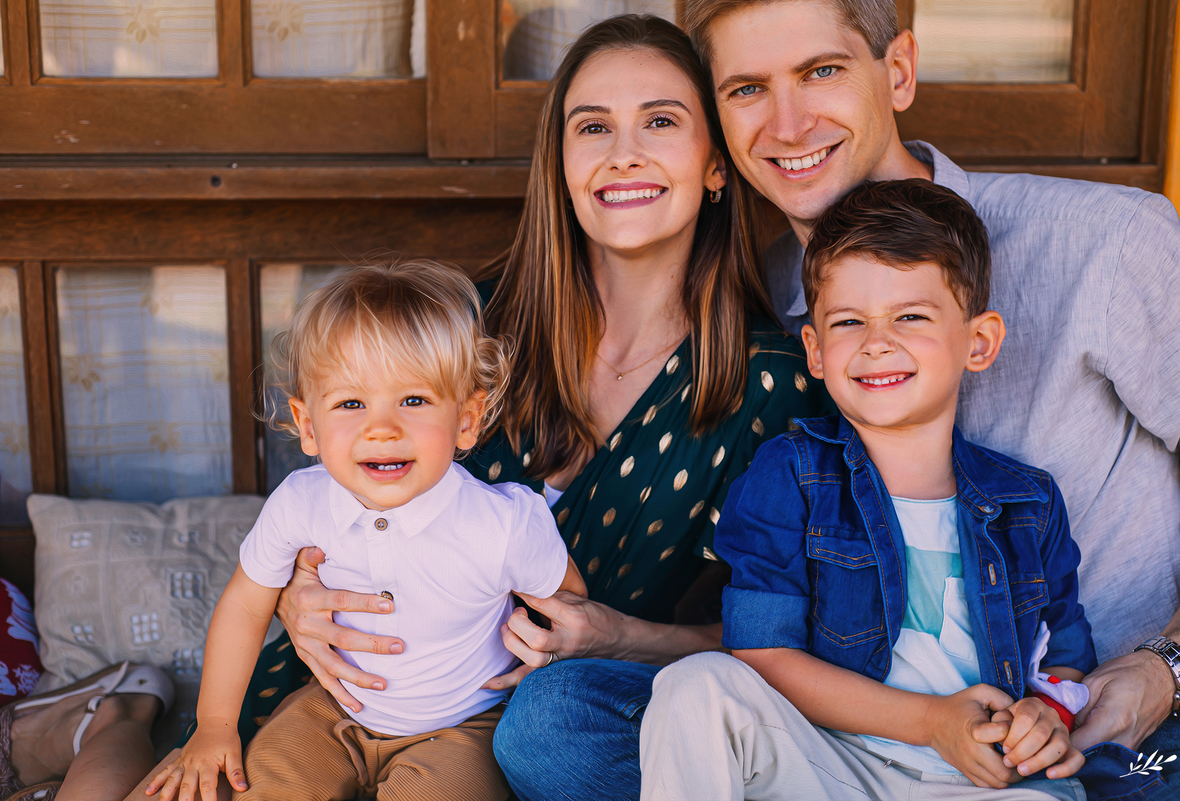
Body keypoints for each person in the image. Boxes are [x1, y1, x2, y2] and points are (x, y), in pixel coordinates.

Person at [114, 14, 828, 801]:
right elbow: (333, 485)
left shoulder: (769, 383)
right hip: (347, 683)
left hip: (541, 730)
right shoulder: (468, 326)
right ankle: (113, 718)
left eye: (660, 120)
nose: (624, 150)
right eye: (593, 126)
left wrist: (624, 636)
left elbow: (788, 639)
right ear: (559, 163)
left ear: (716, 165)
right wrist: (292, 592)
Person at [672, 0, 1180, 797]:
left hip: (1089, 728)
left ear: (899, 71)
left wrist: (1166, 670)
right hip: (841, 731)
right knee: (562, 720)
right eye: (747, 88)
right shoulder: (764, 297)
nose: (786, 123)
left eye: (821, 71)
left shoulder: (1108, 244)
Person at [641, 178, 1097, 800]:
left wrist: (1046, 719)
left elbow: (1063, 660)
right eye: (849, 321)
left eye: (910, 316)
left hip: (983, 783)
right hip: (830, 766)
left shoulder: (1028, 503)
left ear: (979, 341)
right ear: (816, 349)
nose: (877, 342)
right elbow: (760, 654)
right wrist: (932, 723)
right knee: (694, 686)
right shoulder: (790, 476)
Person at [144, 260, 586, 801]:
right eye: (351, 403)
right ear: (308, 426)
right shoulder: (302, 502)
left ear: (467, 420)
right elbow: (245, 603)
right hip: (331, 711)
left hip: (462, 724)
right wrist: (215, 725)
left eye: (414, 400)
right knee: (265, 786)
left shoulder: (504, 523)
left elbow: (568, 604)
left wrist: (538, 655)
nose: (382, 427)